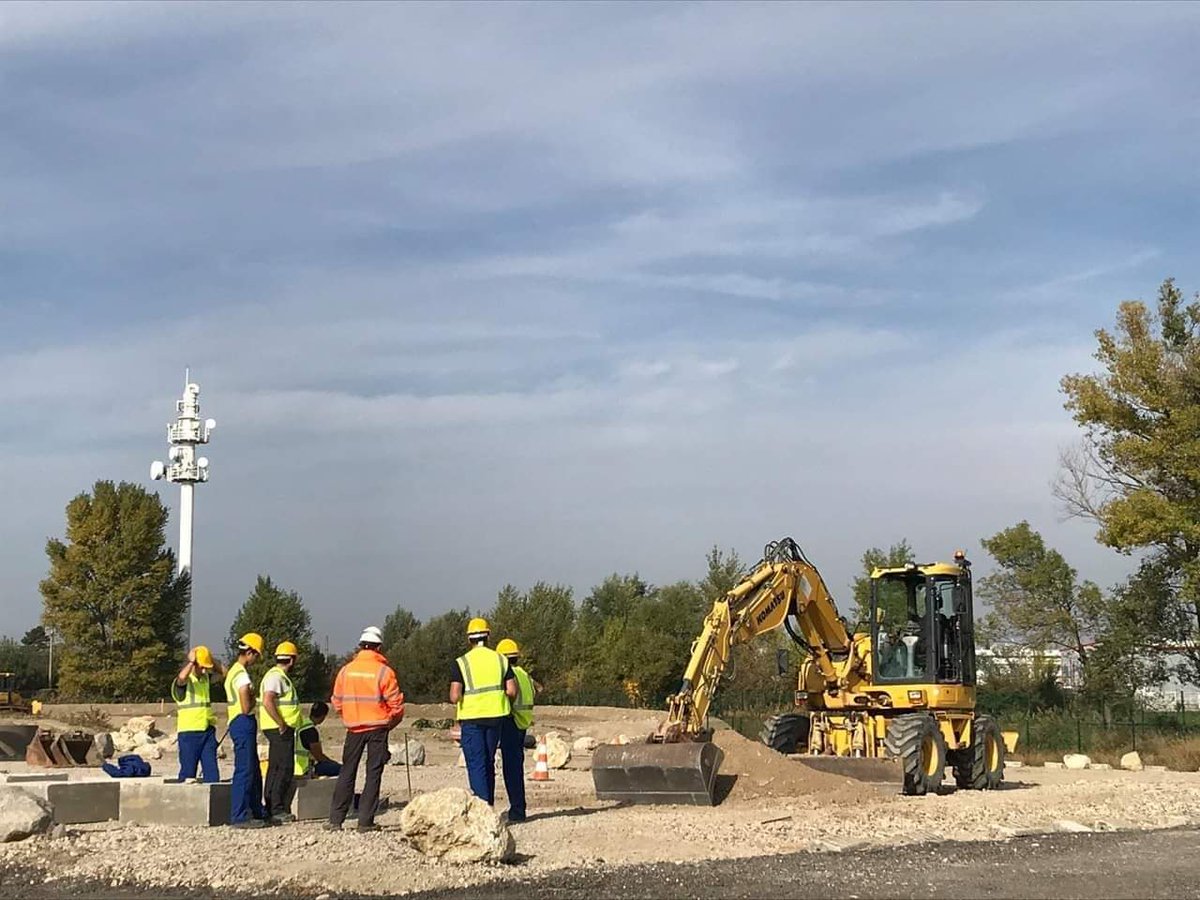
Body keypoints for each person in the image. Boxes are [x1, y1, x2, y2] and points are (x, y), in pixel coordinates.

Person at [328, 626, 405, 832]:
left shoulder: (346, 671)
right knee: (373, 774)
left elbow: (336, 701)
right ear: (378, 647)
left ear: (361, 646)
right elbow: (396, 706)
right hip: (378, 728)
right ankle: (365, 821)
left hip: (353, 729)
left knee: (347, 772)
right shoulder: (384, 672)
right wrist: (390, 723)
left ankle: (336, 819)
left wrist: (348, 715)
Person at [450, 618, 517, 806]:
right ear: (488, 636)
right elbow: (511, 690)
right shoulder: (501, 659)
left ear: (469, 639)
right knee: (488, 763)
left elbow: (455, 696)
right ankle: (489, 805)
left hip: (471, 719)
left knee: (476, 764)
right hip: (496, 717)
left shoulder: (462, 662)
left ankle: (483, 808)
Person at [224, 632, 267, 829]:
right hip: (242, 721)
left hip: (237, 723)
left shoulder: (232, 671)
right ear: (249, 652)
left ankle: (256, 810)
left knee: (253, 769)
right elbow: (244, 702)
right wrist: (250, 699)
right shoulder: (241, 674)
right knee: (245, 770)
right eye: (256, 655)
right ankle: (240, 816)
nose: (256, 659)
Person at [259, 641, 302, 824]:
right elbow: (268, 700)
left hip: (278, 729)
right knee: (283, 768)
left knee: (275, 768)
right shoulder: (276, 677)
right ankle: (276, 809)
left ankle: (270, 807)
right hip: (279, 730)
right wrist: (281, 723)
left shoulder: (277, 676)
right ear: (291, 660)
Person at [495, 638, 534, 823]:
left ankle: (517, 811)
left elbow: (508, 697)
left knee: (511, 770)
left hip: (511, 722)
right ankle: (518, 808)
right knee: (516, 768)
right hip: (522, 723)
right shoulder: (524, 674)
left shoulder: (509, 676)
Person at [172, 645, 224, 783]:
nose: (204, 670)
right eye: (201, 666)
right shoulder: (186, 681)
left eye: (206, 667)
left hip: (207, 731)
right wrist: (191, 662)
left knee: (212, 774)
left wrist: (210, 658)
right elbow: (181, 678)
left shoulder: (205, 678)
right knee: (188, 775)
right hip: (189, 734)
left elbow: (225, 673)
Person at [295, 701, 341, 778]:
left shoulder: (301, 724)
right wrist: (332, 763)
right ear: (323, 716)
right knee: (341, 769)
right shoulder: (310, 731)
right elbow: (319, 756)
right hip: (304, 769)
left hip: (294, 766)